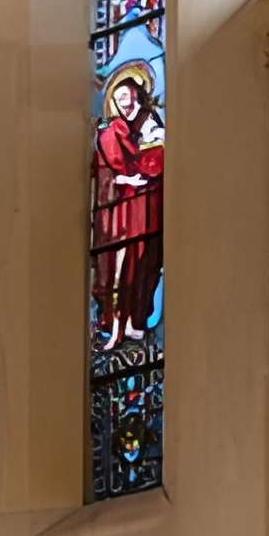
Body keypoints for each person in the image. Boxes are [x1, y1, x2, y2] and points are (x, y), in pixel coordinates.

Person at [92, 70, 164, 350]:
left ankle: (135, 322)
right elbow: (109, 167)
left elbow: (156, 161)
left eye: (130, 96)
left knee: (145, 264)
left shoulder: (151, 125)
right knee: (118, 268)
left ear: (139, 95)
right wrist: (123, 177)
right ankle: (115, 323)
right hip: (120, 216)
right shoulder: (113, 131)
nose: (126, 102)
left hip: (148, 212)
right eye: (120, 98)